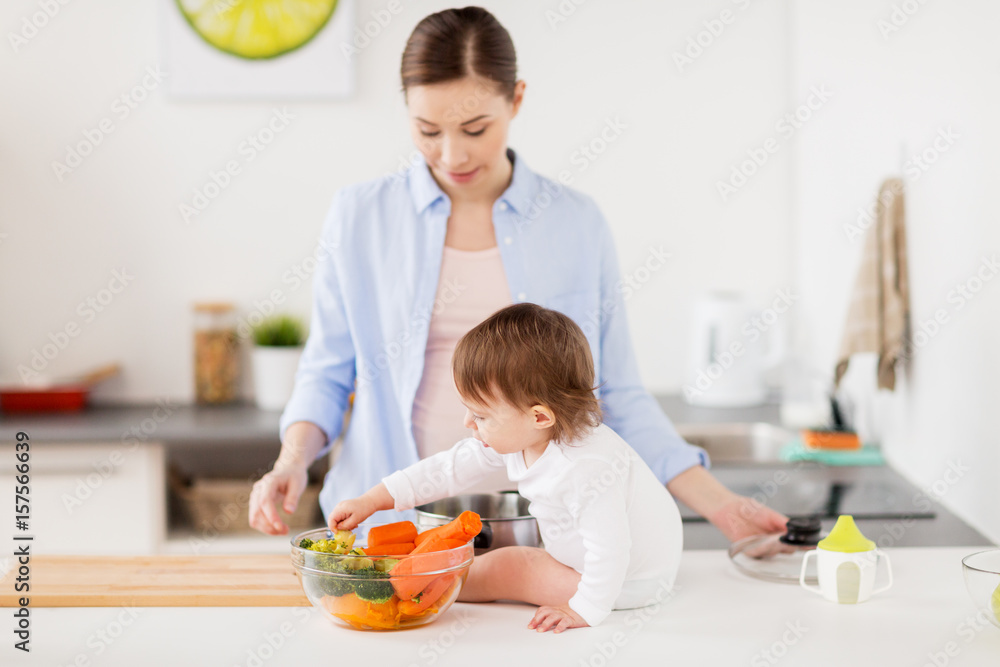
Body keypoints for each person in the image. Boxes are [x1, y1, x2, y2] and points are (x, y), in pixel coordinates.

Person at [248, 6, 786, 543]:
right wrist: (291, 461)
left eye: (474, 128)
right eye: (427, 130)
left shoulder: (575, 223)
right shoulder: (359, 216)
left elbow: (614, 393)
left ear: (517, 100)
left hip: (543, 531)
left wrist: (721, 506)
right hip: (387, 528)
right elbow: (327, 373)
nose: (450, 154)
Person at [331, 303, 683, 632]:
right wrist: (373, 500)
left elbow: (611, 549)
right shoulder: (529, 434)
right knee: (508, 563)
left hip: (631, 581)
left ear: (540, 416)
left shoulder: (587, 467)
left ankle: (413, 590)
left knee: (511, 567)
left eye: (481, 415)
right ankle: (420, 583)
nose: (468, 422)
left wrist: (584, 609)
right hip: (604, 566)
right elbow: (448, 468)